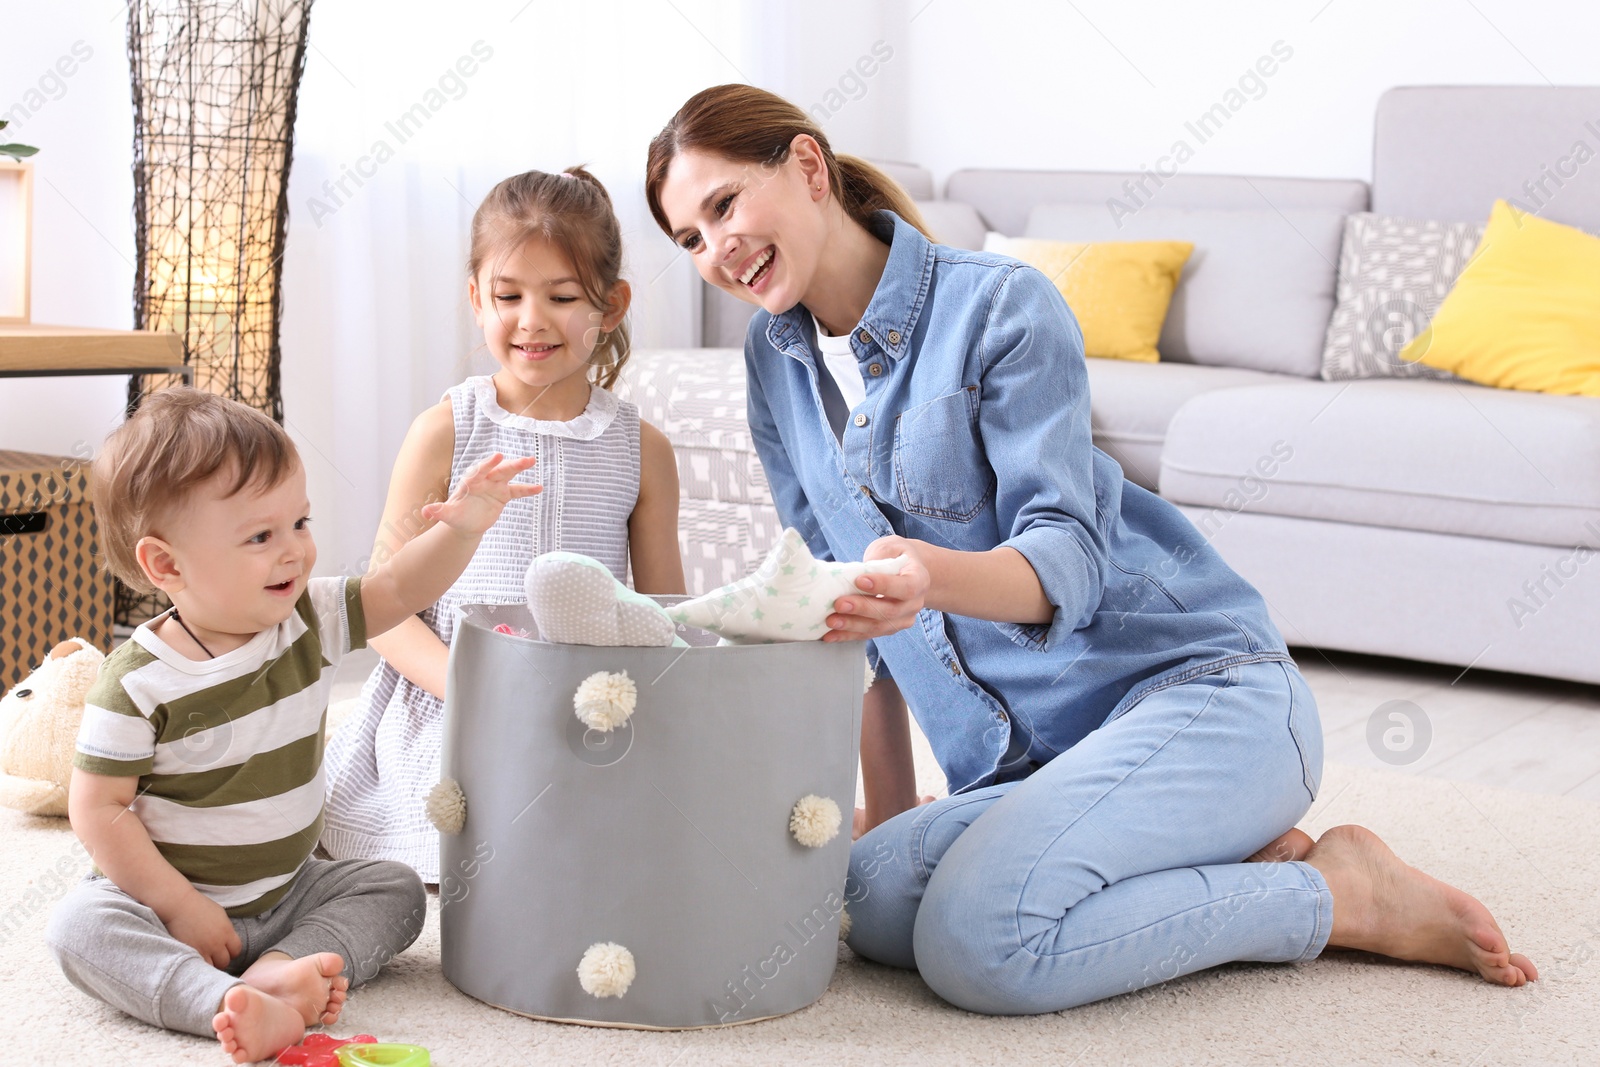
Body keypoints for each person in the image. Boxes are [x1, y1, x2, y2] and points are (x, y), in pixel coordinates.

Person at [646, 84, 1538, 1015]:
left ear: (807, 166)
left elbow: (1062, 561)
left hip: (1200, 693)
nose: (718, 249)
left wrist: (926, 575)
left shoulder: (998, 306)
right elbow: (853, 628)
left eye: (723, 205)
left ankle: (1341, 895)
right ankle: (1196, 843)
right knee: (869, 900)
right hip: (1034, 766)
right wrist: (898, 827)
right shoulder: (772, 364)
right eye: (691, 240)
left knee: (977, 944)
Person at [48, 387, 537, 1062]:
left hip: (289, 889)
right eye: (260, 536)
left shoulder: (312, 616)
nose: (295, 551)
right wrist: (182, 908)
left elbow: (399, 589)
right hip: (169, 904)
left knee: (394, 888)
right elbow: (98, 810)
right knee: (80, 927)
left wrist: (463, 529)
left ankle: (280, 969)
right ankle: (214, 1001)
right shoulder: (136, 680)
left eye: (299, 523)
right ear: (166, 565)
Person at [321, 166, 685, 880]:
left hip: (588, 706)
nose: (531, 320)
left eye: (562, 296)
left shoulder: (643, 449)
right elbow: (383, 610)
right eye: (508, 296)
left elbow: (664, 618)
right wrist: (472, 687)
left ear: (611, 306)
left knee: (617, 851)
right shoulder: (445, 431)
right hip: (448, 697)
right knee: (473, 847)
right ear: (475, 300)